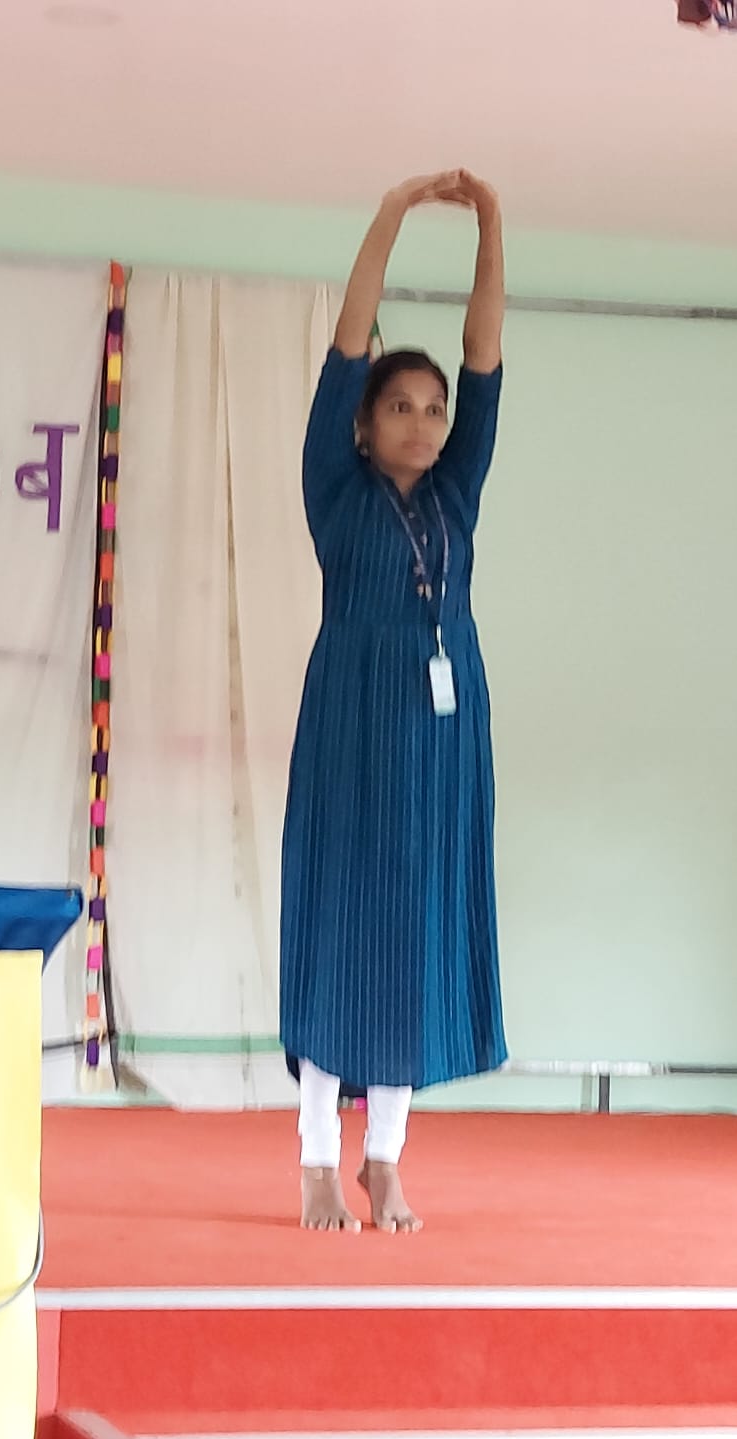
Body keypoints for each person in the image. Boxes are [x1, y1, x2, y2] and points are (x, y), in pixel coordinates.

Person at [280, 169, 507, 1234]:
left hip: (443, 734)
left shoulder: (457, 491)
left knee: (414, 929)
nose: (423, 420)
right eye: (399, 406)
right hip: (352, 724)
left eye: (433, 407)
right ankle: (316, 1163)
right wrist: (391, 217)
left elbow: (484, 355)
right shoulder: (335, 487)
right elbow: (348, 340)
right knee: (341, 924)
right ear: (363, 425)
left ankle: (386, 1159)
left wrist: (491, 227)